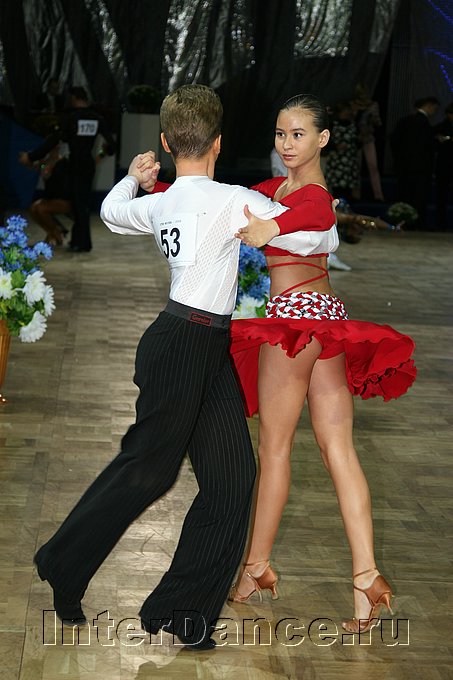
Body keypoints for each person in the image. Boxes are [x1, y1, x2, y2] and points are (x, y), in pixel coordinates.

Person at [33, 84, 330, 651]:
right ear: (218, 143)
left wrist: (132, 177)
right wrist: (278, 226)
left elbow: (112, 212)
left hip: (198, 344)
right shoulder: (231, 199)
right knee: (148, 470)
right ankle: (62, 563)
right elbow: (323, 230)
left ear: (167, 144)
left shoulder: (162, 202)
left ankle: (183, 613)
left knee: (233, 481)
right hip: (182, 346)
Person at [228, 94, 416, 633]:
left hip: (294, 323)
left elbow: (316, 213)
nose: (287, 144)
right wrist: (158, 188)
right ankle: (366, 579)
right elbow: (219, 198)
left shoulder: (312, 195)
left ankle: (255, 568)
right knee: (339, 451)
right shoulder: (274, 190)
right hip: (326, 319)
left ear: (323, 138)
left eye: (299, 134)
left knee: (275, 450)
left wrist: (273, 230)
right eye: (281, 134)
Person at [19, 86, 116, 252]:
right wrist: (98, 157)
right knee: (82, 204)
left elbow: (54, 140)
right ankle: (81, 242)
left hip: (75, 163)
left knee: (77, 204)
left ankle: (78, 242)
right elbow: (111, 146)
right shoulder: (97, 118)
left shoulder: (71, 118)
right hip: (87, 164)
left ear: (73, 98)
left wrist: (32, 156)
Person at [390, 96, 440, 229]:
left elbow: (394, 141)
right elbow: (427, 146)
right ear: (429, 106)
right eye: (434, 109)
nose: (434, 112)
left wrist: (399, 159)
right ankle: (416, 223)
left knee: (405, 194)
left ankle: (402, 222)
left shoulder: (405, 121)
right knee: (419, 197)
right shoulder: (424, 124)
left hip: (404, 166)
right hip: (421, 168)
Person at [22, 143, 72, 245]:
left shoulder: (64, 162)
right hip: (50, 197)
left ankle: (56, 232)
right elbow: (35, 166)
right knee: (33, 208)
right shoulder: (45, 163)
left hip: (64, 198)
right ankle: (52, 232)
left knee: (41, 208)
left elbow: (60, 183)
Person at [433, 102, 453, 231]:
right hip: (444, 165)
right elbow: (434, 143)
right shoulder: (440, 127)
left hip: (445, 163)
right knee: (442, 196)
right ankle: (441, 224)